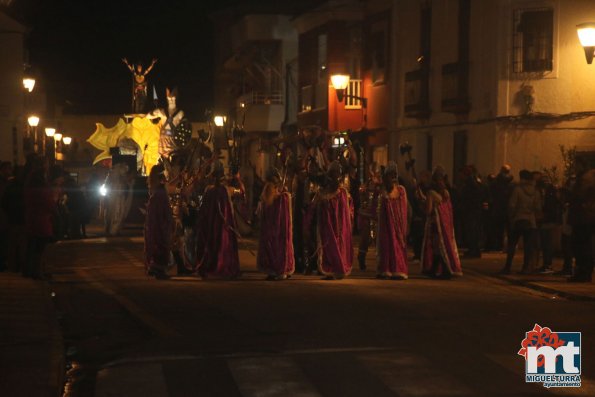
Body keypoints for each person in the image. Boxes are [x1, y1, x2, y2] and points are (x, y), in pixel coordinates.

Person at [195, 161, 241, 279]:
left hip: (217, 225)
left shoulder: (216, 191)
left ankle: (215, 265)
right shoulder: (219, 191)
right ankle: (219, 265)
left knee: (217, 244)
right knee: (218, 244)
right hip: (218, 225)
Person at [312, 161, 353, 280]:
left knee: (337, 246)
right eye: (332, 174)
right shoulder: (323, 191)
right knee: (327, 247)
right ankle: (330, 269)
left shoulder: (342, 193)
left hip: (338, 226)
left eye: (336, 174)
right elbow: (314, 205)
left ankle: (337, 269)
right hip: (326, 226)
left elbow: (346, 210)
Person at [421, 167, 463, 279]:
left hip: (435, 224)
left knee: (437, 248)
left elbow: (429, 211)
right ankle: (436, 269)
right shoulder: (446, 192)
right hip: (445, 226)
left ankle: (442, 269)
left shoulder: (431, 193)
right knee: (441, 247)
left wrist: (422, 202)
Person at [500, 169, 541, 275]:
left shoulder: (517, 189)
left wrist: (512, 217)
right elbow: (538, 207)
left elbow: (512, 205)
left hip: (518, 219)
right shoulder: (535, 191)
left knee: (512, 244)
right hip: (531, 221)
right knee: (528, 246)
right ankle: (525, 267)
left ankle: (508, 266)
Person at [257, 168, 294, 280]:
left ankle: (278, 270)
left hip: (277, 227)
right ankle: (274, 270)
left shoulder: (280, 194)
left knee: (277, 247)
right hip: (271, 226)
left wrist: (283, 194)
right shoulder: (269, 190)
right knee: (272, 247)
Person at [376, 162, 409, 280]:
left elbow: (404, 208)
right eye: (389, 175)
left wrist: (403, 226)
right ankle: (385, 269)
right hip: (386, 226)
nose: (392, 177)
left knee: (397, 246)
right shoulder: (383, 193)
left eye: (393, 175)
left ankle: (398, 270)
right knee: (386, 245)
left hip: (398, 225)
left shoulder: (401, 191)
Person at [24, 167, 56, 279]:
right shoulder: (43, 190)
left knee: (33, 248)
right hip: (43, 222)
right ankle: (38, 272)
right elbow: (50, 205)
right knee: (41, 249)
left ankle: (31, 270)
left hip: (31, 221)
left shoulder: (28, 190)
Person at [144, 165, 173, 279]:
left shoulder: (155, 189)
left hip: (154, 222)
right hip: (159, 222)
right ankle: (159, 270)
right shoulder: (160, 191)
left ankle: (154, 267)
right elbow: (162, 211)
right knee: (161, 243)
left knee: (156, 242)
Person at [567, 168, 595, 282]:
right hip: (585, 219)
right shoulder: (588, 185)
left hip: (583, 220)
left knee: (581, 247)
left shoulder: (587, 187)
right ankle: (584, 272)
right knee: (583, 246)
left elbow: (581, 200)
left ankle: (583, 273)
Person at [357, 164, 381, 270]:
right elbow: (362, 200)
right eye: (372, 172)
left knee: (378, 239)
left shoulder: (381, 186)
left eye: (376, 173)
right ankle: (361, 258)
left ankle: (381, 262)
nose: (373, 175)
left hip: (376, 216)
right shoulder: (364, 186)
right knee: (365, 239)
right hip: (366, 215)